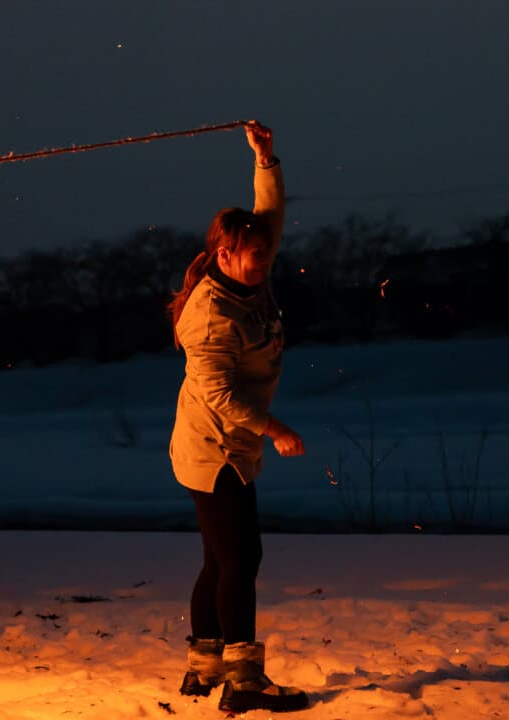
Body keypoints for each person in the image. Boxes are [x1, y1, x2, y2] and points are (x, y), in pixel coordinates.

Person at [167, 120, 309, 714]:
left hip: (228, 447)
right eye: (255, 257)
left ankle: (202, 669)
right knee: (241, 558)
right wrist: (275, 430)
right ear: (224, 254)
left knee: (218, 559)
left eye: (267, 252)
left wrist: (266, 159)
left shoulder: (251, 264)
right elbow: (221, 396)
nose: (265, 261)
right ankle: (244, 681)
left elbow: (268, 212)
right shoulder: (209, 316)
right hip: (215, 448)